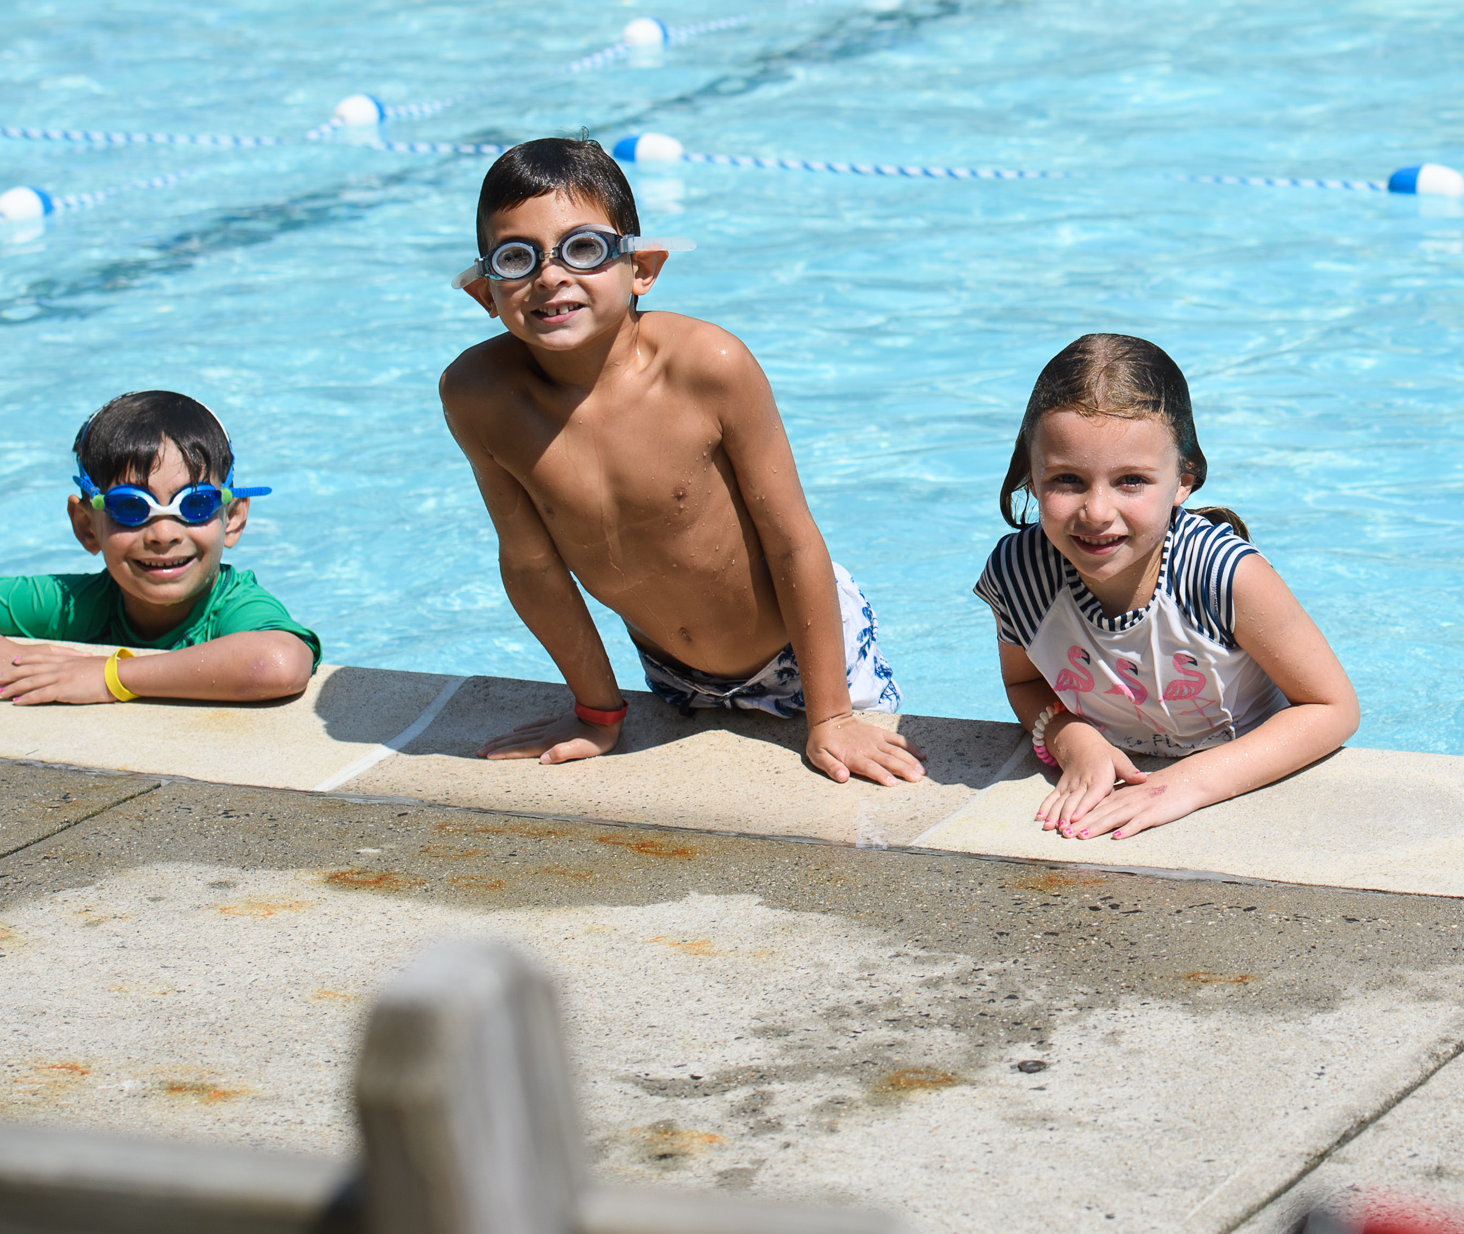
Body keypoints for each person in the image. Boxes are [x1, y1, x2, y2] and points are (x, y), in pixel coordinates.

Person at [440, 139, 920, 782]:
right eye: (516, 258)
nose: (551, 276)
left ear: (642, 268)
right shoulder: (479, 396)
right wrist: (596, 711)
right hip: (670, 668)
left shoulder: (708, 368)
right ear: (484, 293)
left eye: (582, 249)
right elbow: (529, 563)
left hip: (808, 651)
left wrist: (831, 717)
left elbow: (792, 541)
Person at [977, 334, 1357, 841]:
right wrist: (1070, 738)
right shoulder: (1020, 574)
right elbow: (1024, 684)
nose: (1096, 511)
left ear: (1184, 478)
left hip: (1242, 773)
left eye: (1131, 480)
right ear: (1031, 475)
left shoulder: (1222, 574)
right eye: (1067, 480)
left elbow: (1332, 708)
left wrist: (1185, 784)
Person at [0, 391, 318, 705]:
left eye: (196, 503)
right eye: (131, 507)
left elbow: (278, 663)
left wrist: (109, 677)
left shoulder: (233, 606)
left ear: (234, 517)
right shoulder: (77, 605)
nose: (164, 533)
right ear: (87, 526)